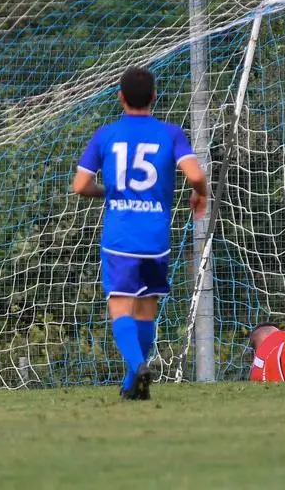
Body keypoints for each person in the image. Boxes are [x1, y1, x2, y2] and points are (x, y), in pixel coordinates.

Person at [72, 66, 208, 400]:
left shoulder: (105, 135)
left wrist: (112, 191)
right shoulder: (171, 133)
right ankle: (133, 382)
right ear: (153, 97)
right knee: (147, 309)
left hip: (121, 237)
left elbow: (80, 186)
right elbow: (193, 175)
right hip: (155, 238)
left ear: (120, 98)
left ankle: (138, 366)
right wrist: (200, 192)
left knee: (120, 307)